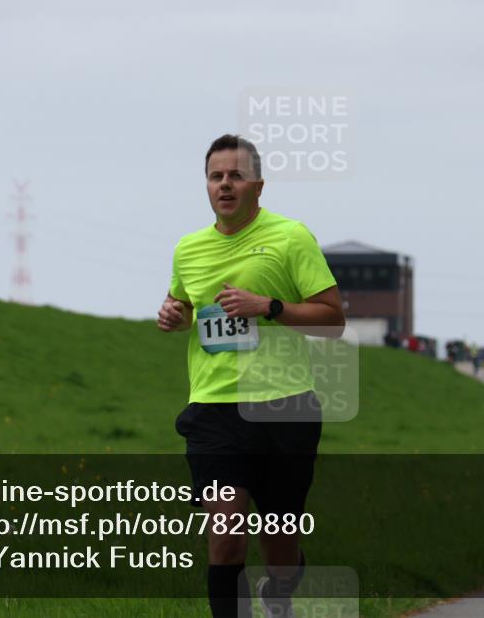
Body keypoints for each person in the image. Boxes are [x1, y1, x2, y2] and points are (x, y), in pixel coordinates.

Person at [158, 134, 345, 618]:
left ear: (258, 185)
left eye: (236, 176)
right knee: (225, 535)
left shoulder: (290, 237)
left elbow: (333, 319)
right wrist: (174, 314)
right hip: (214, 410)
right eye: (216, 176)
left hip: (286, 407)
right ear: (206, 185)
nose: (225, 185)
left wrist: (270, 306)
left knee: (278, 543)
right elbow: (184, 303)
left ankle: (281, 587)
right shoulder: (188, 249)